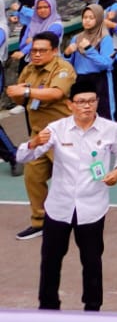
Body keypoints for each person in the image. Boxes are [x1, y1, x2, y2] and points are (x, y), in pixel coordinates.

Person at [15, 79, 117, 311]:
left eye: (91, 101)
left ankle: (92, 308)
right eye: (80, 102)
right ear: (70, 105)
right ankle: (48, 307)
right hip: (59, 207)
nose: (86, 106)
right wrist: (33, 142)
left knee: (92, 261)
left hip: (92, 208)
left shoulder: (111, 129)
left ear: (97, 102)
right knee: (50, 261)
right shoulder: (57, 129)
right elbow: (22, 157)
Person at [8, 31, 77, 240]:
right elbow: (19, 98)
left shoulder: (63, 69)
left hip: (64, 135)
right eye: (34, 50)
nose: (36, 54)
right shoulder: (28, 69)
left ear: (54, 51)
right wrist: (21, 94)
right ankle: (41, 221)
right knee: (33, 176)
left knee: (71, 179)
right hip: (39, 135)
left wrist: (27, 92)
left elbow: (56, 93)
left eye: (42, 50)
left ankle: (81, 216)